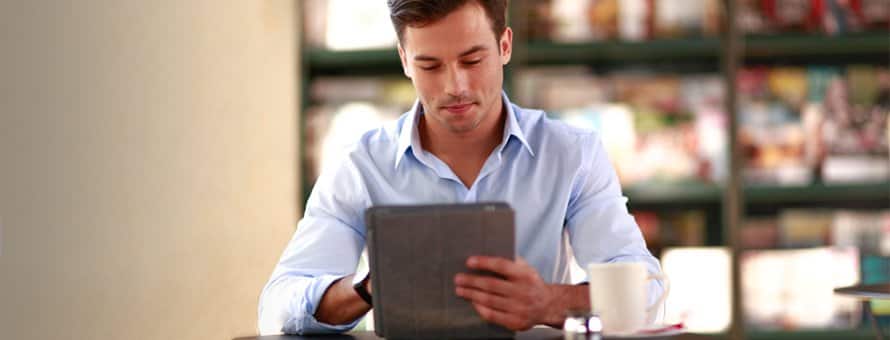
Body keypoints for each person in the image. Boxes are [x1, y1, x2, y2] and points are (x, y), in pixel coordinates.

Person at [258, 0, 665, 335]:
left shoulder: (572, 154)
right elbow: (278, 307)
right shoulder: (361, 165)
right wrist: (369, 288)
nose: (455, 86)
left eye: (472, 60)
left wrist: (547, 301)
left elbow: (645, 292)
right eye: (430, 66)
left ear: (505, 46)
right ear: (404, 60)